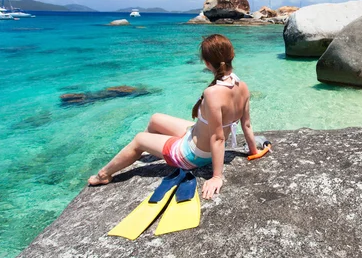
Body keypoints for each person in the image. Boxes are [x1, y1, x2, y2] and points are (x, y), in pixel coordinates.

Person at [88, 34, 258, 199]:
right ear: (232, 55)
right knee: (155, 118)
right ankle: (145, 152)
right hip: (195, 136)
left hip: (193, 155)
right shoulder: (242, 86)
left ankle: (104, 174)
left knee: (139, 139)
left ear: (207, 63)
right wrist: (254, 151)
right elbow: (247, 125)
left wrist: (216, 177)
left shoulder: (212, 93)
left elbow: (218, 138)